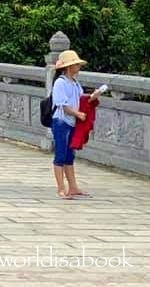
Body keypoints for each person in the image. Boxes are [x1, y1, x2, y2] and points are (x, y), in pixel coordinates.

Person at [51, 50, 104, 200]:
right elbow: (63, 105)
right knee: (60, 154)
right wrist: (78, 114)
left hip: (72, 122)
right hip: (61, 121)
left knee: (69, 155)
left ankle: (73, 187)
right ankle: (61, 188)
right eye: (76, 64)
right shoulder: (60, 82)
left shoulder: (74, 83)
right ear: (69, 67)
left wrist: (93, 97)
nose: (78, 67)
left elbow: (81, 99)